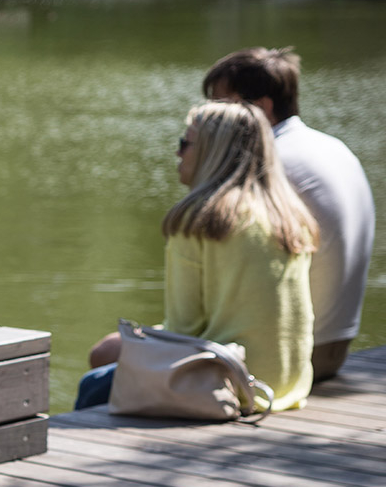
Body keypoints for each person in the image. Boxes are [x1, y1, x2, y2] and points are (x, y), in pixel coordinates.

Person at [76, 101, 319, 412]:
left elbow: (183, 330)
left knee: (93, 383)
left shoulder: (201, 220)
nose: (177, 153)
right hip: (288, 385)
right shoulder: (288, 214)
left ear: (210, 151)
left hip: (231, 386)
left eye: (184, 143)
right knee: (109, 356)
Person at [202, 47, 375, 381]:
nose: (209, 115)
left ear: (262, 106)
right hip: (334, 346)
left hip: (287, 356)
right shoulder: (334, 148)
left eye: (221, 104)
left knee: (107, 366)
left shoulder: (270, 163)